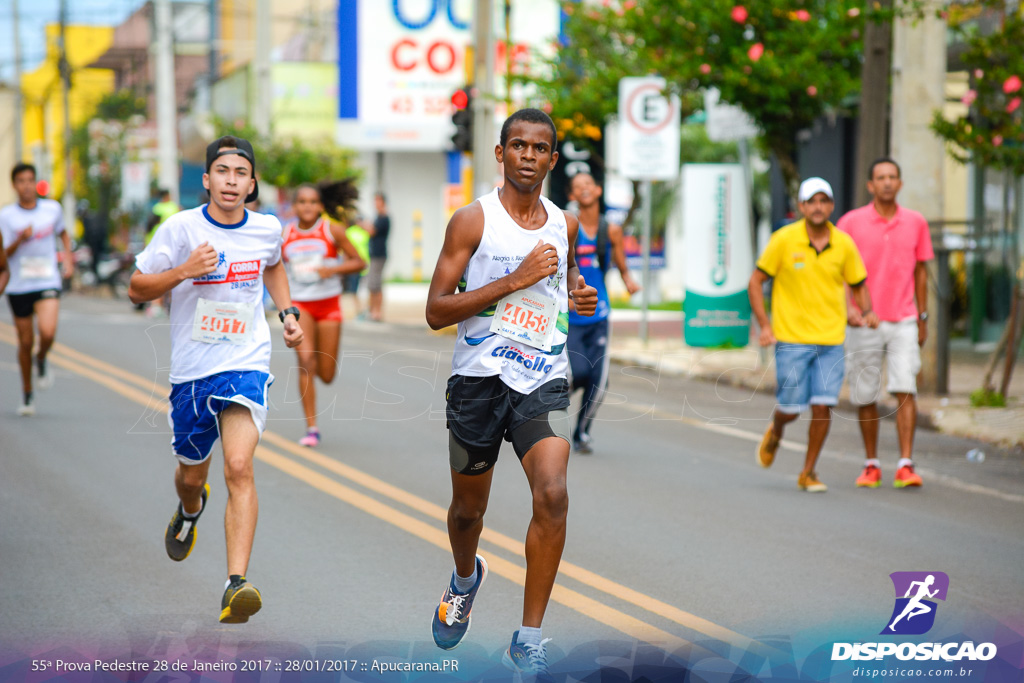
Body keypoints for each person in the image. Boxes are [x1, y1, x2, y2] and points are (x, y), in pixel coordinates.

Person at [425, 108, 598, 679]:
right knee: (467, 513)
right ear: (500, 154)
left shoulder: (564, 224)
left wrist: (577, 294)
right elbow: (435, 311)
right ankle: (465, 578)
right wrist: (514, 280)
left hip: (541, 378)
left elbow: (563, 278)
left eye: (539, 147)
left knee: (552, 493)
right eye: (517, 145)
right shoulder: (472, 222)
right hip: (478, 382)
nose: (528, 155)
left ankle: (528, 638)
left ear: (552, 158)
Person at [128, 136, 303, 623]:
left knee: (240, 466)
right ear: (207, 180)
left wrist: (287, 312)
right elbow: (137, 287)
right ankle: (189, 509)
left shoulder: (267, 229)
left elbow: (274, 266)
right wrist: (185, 270)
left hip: (246, 361)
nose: (231, 181)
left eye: (240, 173)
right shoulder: (179, 229)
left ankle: (235, 583)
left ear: (252, 184)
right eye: (221, 172)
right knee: (192, 477)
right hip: (191, 372)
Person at [748, 177, 878, 493]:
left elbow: (858, 283)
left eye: (824, 201)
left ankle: (808, 471)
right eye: (812, 201)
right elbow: (755, 281)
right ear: (802, 207)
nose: (818, 207)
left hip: (831, 340)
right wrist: (765, 325)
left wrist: (867, 311)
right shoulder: (783, 239)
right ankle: (777, 429)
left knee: (823, 406)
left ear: (831, 206)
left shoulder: (844, 243)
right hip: (791, 339)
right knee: (791, 408)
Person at [837, 159, 934, 489]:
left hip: (904, 318)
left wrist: (922, 316)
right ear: (870, 185)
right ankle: (871, 464)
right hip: (864, 322)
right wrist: (850, 310)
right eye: (881, 178)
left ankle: (905, 464)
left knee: (905, 388)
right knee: (865, 394)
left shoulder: (916, 222)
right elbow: (838, 273)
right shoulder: (850, 223)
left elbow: (921, 272)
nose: (887, 183)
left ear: (900, 184)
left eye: (893, 177)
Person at [281, 181, 366, 447]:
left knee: (326, 374)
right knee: (306, 361)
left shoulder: (332, 231)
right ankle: (312, 427)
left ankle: (317, 365)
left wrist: (334, 270)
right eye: (302, 201)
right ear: (294, 206)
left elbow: (359, 261)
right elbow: (274, 268)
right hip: (300, 305)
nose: (307, 206)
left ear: (320, 206)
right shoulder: (284, 235)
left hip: (328, 305)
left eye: (312, 202)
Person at [564, 171, 640, 454]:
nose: (584, 189)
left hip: (599, 314)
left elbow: (620, 263)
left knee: (599, 379)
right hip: (570, 316)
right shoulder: (568, 226)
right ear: (572, 195)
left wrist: (628, 280)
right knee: (578, 372)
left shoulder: (612, 230)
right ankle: (544, 408)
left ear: (597, 190)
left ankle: (581, 432)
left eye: (588, 184)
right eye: (577, 186)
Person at [1, 162, 73, 415]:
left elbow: (63, 234)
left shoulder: (52, 209)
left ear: (36, 183)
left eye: (30, 180)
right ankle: (27, 394)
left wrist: (69, 259)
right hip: (19, 284)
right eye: (21, 181)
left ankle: (41, 358)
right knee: (24, 341)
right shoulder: (6, 216)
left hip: (46, 280)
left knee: (48, 331)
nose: (27, 185)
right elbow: (3, 255)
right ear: (14, 185)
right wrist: (20, 239)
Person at [365, 192, 390, 322]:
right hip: (375, 255)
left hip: (379, 255)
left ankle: (377, 312)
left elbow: (372, 231)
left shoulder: (383, 217)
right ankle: (372, 311)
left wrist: (362, 224)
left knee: (376, 284)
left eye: (377, 201)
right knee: (373, 285)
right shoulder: (378, 217)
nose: (375, 203)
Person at [342, 216, 370, 318]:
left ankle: (362, 310)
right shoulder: (351, 232)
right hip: (356, 266)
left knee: (360, 290)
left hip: (362, 266)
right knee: (354, 290)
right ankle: (359, 310)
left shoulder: (363, 233)